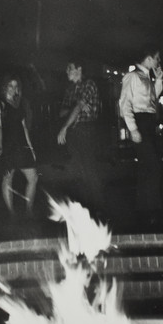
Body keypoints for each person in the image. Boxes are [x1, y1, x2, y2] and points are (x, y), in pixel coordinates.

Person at [119, 46, 163, 223]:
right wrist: (133, 128)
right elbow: (125, 104)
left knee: (147, 167)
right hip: (140, 123)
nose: (159, 61)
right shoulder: (132, 77)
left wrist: (159, 80)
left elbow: (152, 99)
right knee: (153, 166)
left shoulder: (146, 77)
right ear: (149, 58)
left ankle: (144, 211)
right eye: (157, 58)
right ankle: (151, 209)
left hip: (149, 122)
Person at [57, 61, 102, 213]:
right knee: (76, 171)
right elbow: (62, 112)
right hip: (73, 133)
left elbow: (76, 108)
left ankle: (97, 210)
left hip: (86, 130)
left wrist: (64, 127)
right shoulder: (70, 89)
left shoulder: (89, 84)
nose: (66, 71)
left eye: (70, 68)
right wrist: (76, 105)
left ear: (79, 69)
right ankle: (84, 209)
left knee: (89, 170)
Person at [0, 74, 38, 217]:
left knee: (33, 178)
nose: (13, 89)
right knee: (7, 178)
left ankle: (29, 211)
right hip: (9, 146)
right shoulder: (0, 104)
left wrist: (31, 148)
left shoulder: (19, 104)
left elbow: (24, 127)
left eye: (15, 86)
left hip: (22, 146)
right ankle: (11, 213)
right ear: (5, 87)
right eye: (10, 86)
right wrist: (0, 148)